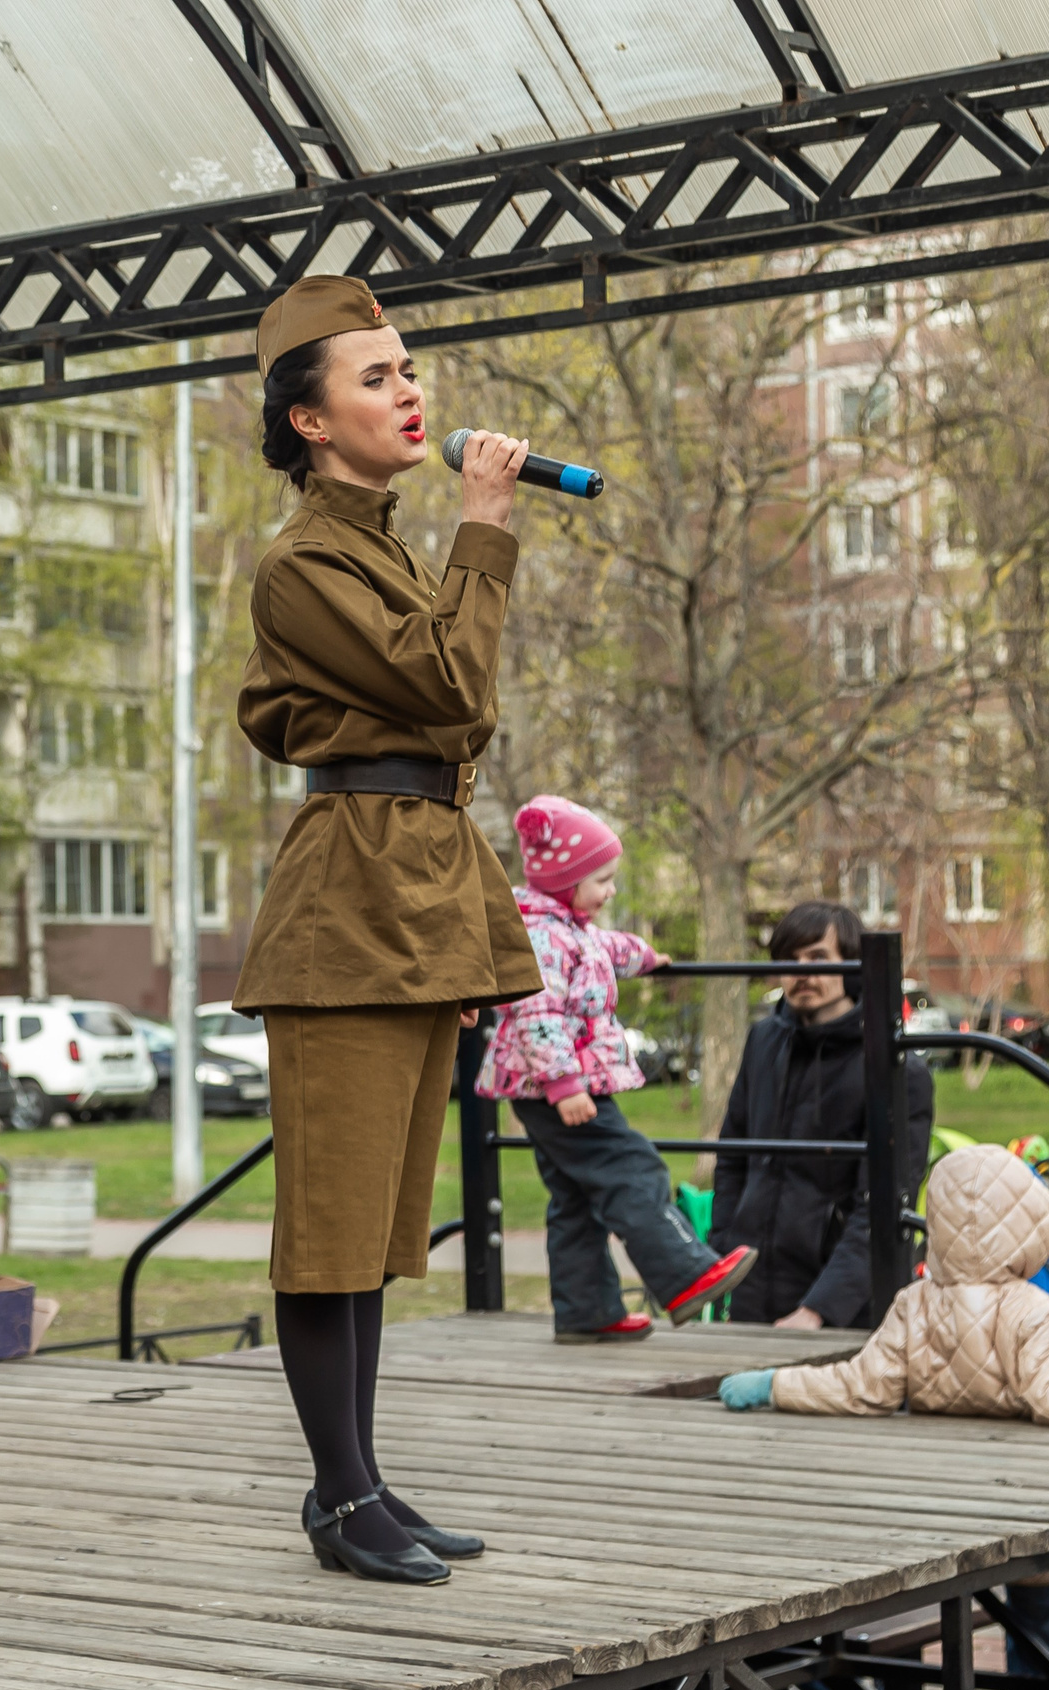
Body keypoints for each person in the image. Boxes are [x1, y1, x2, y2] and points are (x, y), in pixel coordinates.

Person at [232, 274, 543, 1587]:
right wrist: (486, 525)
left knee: (375, 1225)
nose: (409, 392)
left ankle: (362, 1480)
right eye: (376, 377)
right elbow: (452, 690)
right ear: (308, 421)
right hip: (347, 911)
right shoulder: (305, 559)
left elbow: (440, 721)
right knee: (331, 1223)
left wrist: (456, 942)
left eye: (409, 369)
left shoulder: (383, 548)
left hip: (405, 895)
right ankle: (335, 1496)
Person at [718, 1143, 1049, 1690]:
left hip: (948, 1517)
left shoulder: (913, 1306)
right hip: (1043, 1513)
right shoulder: (1034, 1312)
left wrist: (775, 1383)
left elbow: (860, 1386)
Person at [476, 796, 756, 1344]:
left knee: (576, 1199)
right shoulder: (541, 937)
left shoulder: (565, 926)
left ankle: (586, 1310)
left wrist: (645, 956)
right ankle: (684, 1275)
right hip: (558, 1088)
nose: (609, 892)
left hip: (552, 1087)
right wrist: (564, 1086)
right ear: (564, 880)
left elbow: (605, 949)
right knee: (634, 1169)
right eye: (600, 880)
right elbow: (536, 1011)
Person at [710, 900, 933, 1330]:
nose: (802, 972)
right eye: (790, 960)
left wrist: (818, 1310)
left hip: (842, 1309)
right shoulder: (763, 1041)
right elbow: (732, 1158)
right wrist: (723, 1257)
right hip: (751, 1292)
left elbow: (881, 1207)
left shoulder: (896, 1070)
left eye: (818, 958)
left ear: (851, 966)